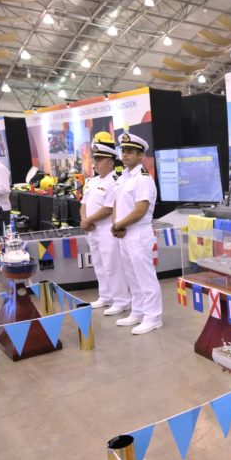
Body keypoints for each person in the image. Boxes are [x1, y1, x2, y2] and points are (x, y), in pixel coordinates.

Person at [110, 132, 162, 335]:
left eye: (130, 151)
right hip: (124, 232)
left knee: (145, 278)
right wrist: (116, 225)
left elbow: (140, 210)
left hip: (138, 233)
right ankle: (138, 311)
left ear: (141, 155)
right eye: (123, 150)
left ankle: (153, 317)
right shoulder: (123, 176)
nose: (125, 154)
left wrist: (119, 225)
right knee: (132, 276)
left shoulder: (143, 179)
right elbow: (116, 203)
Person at [79, 138, 131, 315]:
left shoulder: (115, 181)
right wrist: (84, 219)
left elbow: (109, 208)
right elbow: (84, 203)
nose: (95, 163)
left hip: (107, 230)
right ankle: (106, 296)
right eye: (95, 159)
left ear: (110, 162)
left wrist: (88, 221)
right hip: (92, 230)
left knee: (112, 266)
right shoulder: (92, 181)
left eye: (99, 160)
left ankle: (122, 300)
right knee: (99, 264)